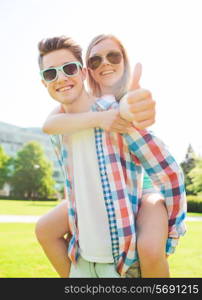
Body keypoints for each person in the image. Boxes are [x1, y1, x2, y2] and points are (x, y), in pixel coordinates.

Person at [35, 35, 187, 278]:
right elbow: (50, 125)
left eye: (69, 68)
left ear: (82, 73)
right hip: (98, 211)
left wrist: (134, 108)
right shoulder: (65, 122)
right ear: (90, 70)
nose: (61, 77)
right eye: (51, 74)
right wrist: (98, 119)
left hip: (143, 188)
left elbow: (164, 167)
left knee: (149, 249)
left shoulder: (115, 109)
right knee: (44, 229)